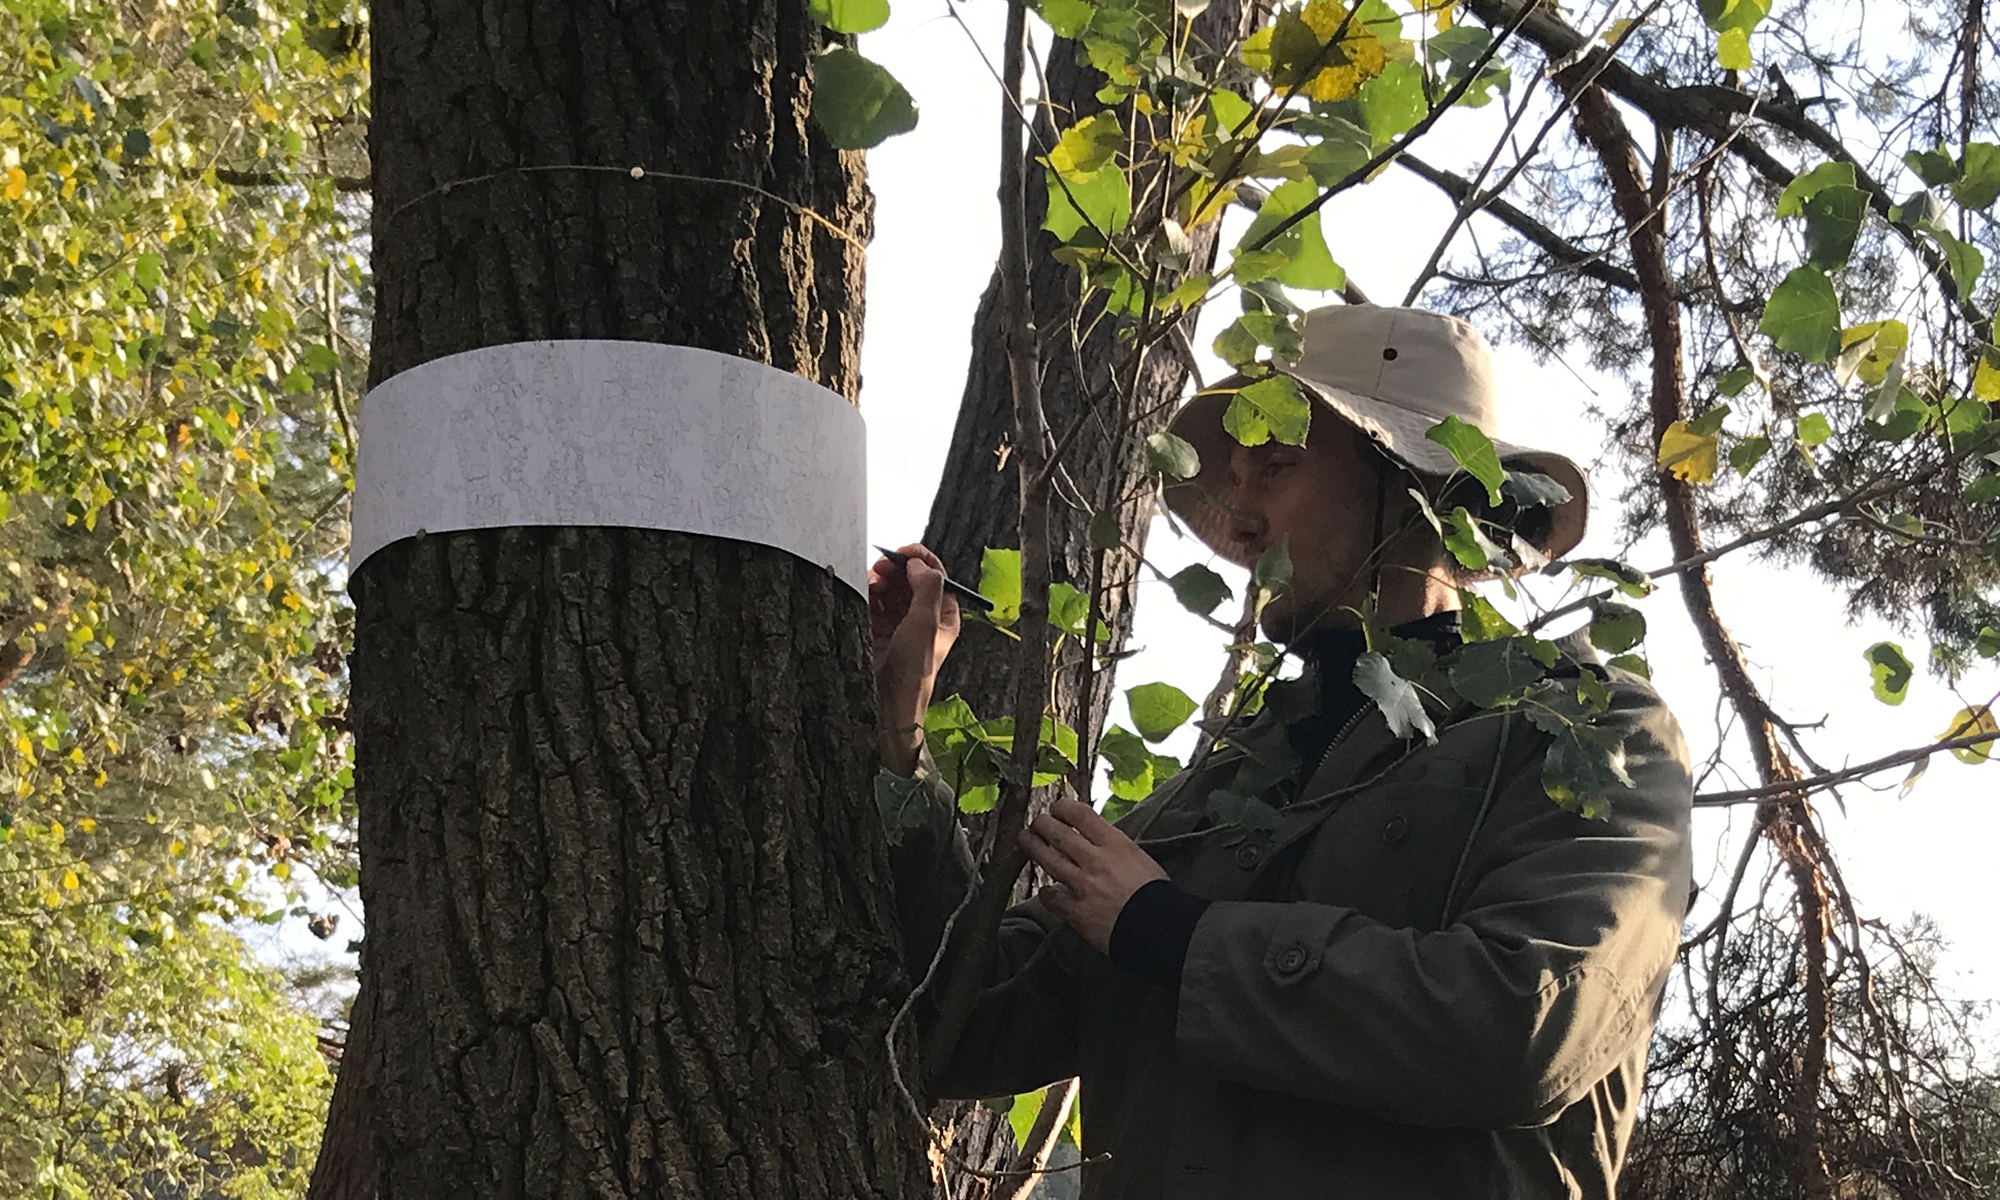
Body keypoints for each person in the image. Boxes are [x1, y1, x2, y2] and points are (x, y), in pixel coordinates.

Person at [870, 305, 1694, 1199]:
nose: (1242, 515)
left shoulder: (1582, 732)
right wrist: (899, 734)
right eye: (1234, 477)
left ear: (1410, 478)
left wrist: (1171, 935)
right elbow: (962, 1020)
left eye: (1278, 467)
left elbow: (1531, 1024)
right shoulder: (1216, 795)